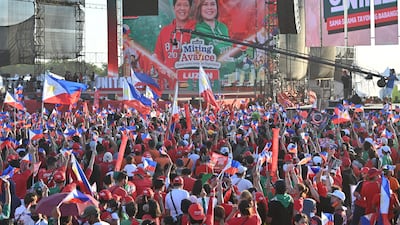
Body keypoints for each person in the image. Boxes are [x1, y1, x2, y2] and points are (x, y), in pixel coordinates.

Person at [153, 0, 196, 88]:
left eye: (186, 5)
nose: (182, 8)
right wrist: (162, 70)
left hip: (192, 85)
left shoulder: (197, 29)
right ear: (174, 8)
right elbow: (158, 56)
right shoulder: (165, 31)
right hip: (169, 86)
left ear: (190, 8)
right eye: (179, 5)